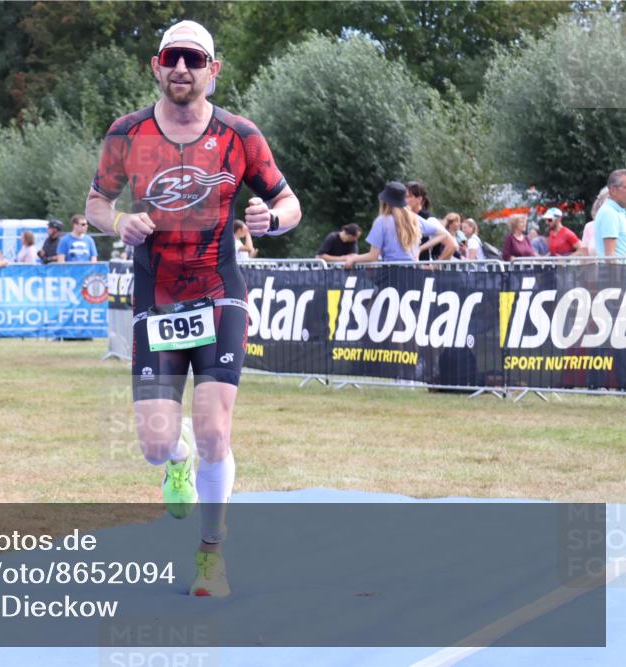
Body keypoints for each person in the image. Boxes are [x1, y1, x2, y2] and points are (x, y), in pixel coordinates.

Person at [85, 20, 302, 597]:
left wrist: (272, 219)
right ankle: (176, 459)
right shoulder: (127, 133)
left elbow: (289, 202)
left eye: (194, 58)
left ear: (214, 69)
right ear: (156, 66)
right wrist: (119, 221)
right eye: (172, 57)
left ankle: (211, 553)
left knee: (214, 428)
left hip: (219, 291)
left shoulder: (239, 135)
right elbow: (97, 202)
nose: (182, 68)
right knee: (156, 445)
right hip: (156, 296)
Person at [346, 181, 456, 268]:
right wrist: (419, 249)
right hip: (413, 273)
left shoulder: (381, 221)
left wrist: (353, 258)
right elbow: (443, 234)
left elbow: (373, 256)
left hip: (391, 274)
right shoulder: (414, 219)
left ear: (386, 201)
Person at [593, 170, 626, 258]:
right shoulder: (609, 213)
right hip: (617, 267)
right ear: (613, 190)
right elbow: (610, 256)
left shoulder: (619, 211)